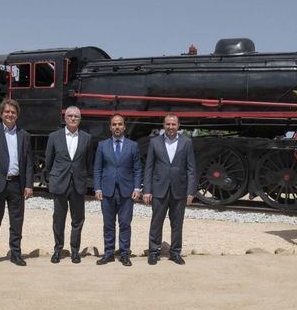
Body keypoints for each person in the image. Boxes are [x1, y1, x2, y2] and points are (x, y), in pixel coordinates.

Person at [0, 99, 33, 268]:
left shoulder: (24, 135)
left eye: (13, 112)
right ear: (1, 113)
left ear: (17, 114)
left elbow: (28, 162)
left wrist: (29, 185)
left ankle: (16, 254)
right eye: (7, 112)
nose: (10, 114)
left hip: (17, 184)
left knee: (17, 222)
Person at [143, 113, 196, 265]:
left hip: (179, 190)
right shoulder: (155, 142)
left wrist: (191, 191)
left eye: (173, 124)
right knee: (156, 222)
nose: (171, 127)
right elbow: (149, 167)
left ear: (178, 126)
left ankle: (175, 252)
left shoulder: (187, 142)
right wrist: (147, 190)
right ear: (163, 125)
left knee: (177, 223)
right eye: (168, 124)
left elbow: (191, 168)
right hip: (159, 189)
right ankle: (153, 252)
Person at [94, 114, 142, 266]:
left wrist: (137, 188)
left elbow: (137, 169)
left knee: (125, 224)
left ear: (124, 127)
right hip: (107, 190)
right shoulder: (102, 145)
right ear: (110, 127)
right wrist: (97, 188)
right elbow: (97, 169)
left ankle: (124, 254)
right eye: (114, 124)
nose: (117, 127)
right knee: (108, 224)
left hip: (127, 191)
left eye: (120, 124)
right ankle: (108, 253)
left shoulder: (132, 145)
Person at [45, 106, 92, 264]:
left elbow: (88, 162)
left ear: (80, 119)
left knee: (78, 219)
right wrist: (55, 176)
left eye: (76, 116)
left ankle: (75, 251)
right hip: (60, 183)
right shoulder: (54, 137)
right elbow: (48, 161)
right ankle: (58, 249)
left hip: (78, 184)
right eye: (70, 116)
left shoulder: (87, 138)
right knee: (59, 219)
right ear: (65, 118)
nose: (73, 118)